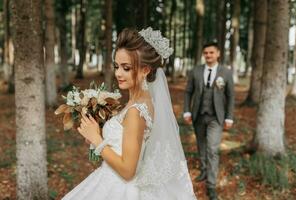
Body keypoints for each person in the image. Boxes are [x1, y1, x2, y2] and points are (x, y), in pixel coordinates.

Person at [62, 27, 197, 200]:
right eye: (117, 66)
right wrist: (98, 137)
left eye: (126, 68)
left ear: (145, 70)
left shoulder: (136, 111)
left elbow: (128, 171)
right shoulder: (137, 102)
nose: (118, 73)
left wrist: (98, 140)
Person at [183, 42, 234, 200]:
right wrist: (186, 110)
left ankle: (211, 185)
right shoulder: (196, 71)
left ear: (218, 54)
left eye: (211, 52)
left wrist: (229, 117)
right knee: (201, 145)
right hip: (198, 114)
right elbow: (188, 92)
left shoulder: (225, 72)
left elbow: (231, 96)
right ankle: (204, 170)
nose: (208, 55)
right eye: (206, 53)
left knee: (212, 149)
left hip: (216, 117)